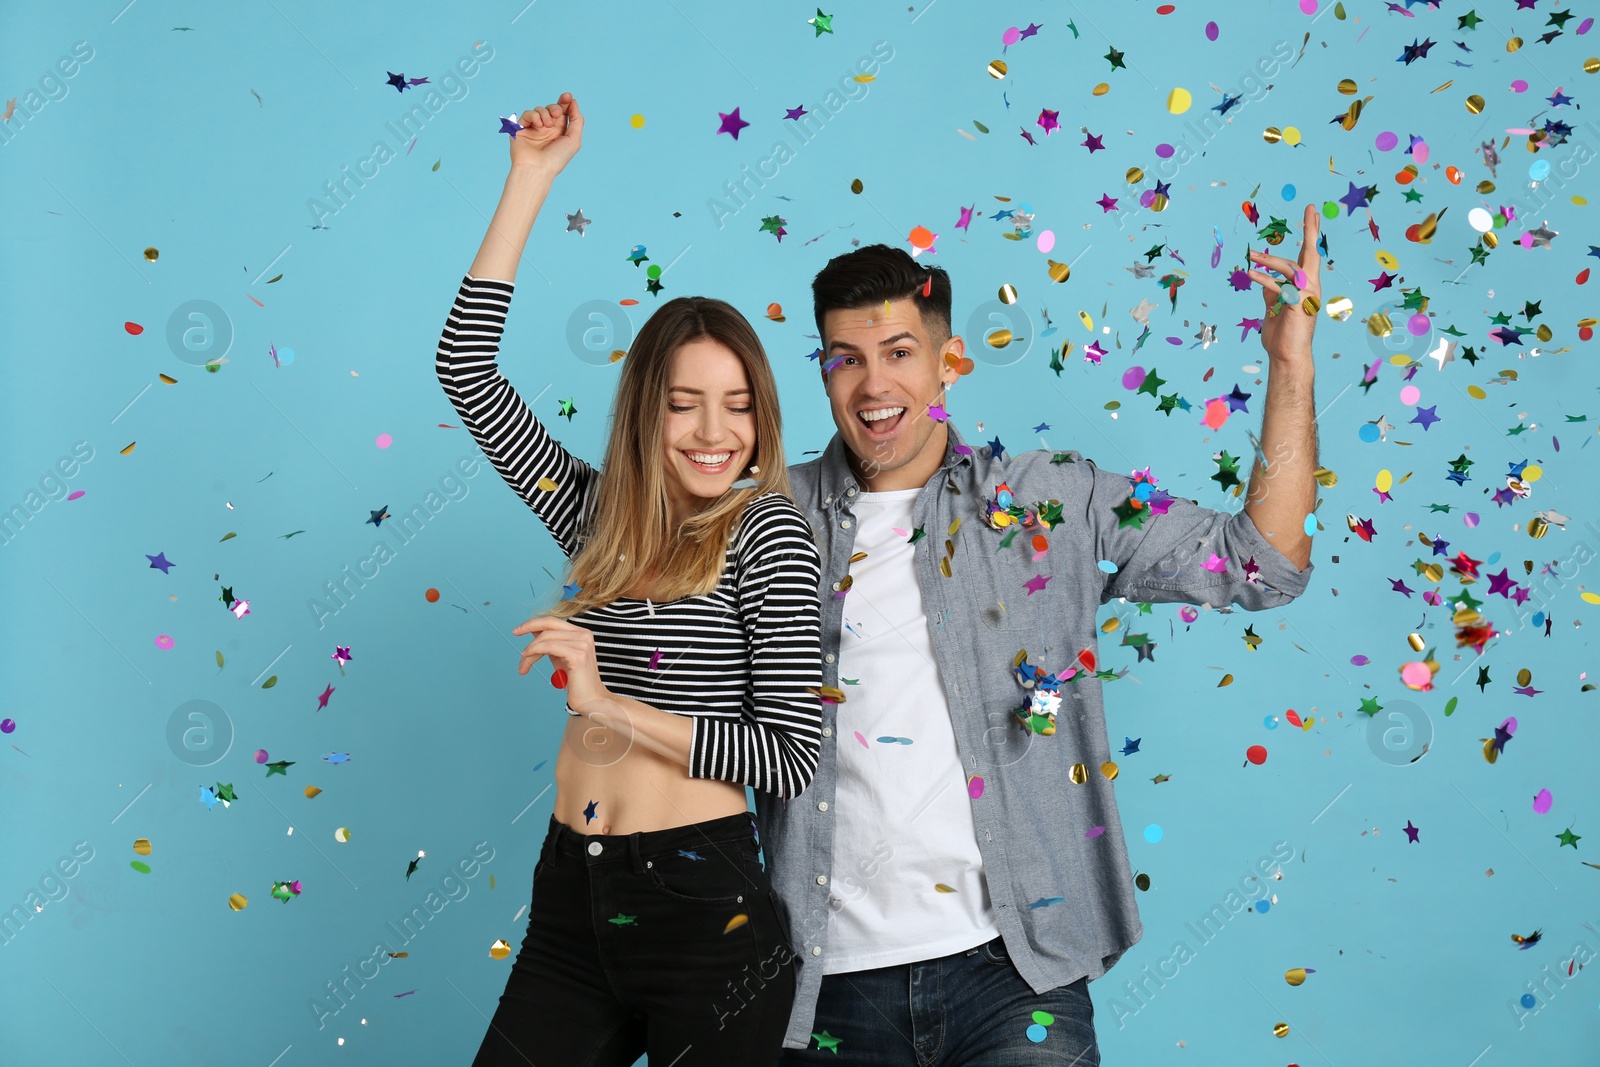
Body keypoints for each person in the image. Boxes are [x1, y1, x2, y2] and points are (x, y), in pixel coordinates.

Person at [763, 218, 1322, 1063]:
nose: (873, 382)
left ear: (949, 360)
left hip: (1013, 977)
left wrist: (1290, 366)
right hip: (826, 990)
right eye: (846, 357)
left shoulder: (1048, 502)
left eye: (900, 351)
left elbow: (1260, 563)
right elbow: (617, 540)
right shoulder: (767, 519)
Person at [437, 92, 823, 1066]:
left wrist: (607, 702)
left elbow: (786, 754)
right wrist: (529, 179)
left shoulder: (767, 530)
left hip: (707, 916)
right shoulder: (595, 514)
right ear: (646, 410)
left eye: (736, 406)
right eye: (685, 403)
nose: (712, 431)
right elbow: (465, 371)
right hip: (572, 899)